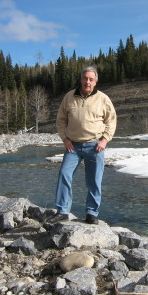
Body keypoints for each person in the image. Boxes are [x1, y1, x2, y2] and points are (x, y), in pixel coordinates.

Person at [49, 66, 117, 225]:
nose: (87, 82)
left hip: (95, 146)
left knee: (94, 180)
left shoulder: (103, 98)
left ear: (95, 81)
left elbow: (111, 121)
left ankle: (92, 213)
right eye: (85, 78)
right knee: (64, 174)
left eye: (91, 79)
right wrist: (65, 139)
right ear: (81, 79)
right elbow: (60, 120)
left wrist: (105, 139)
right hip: (73, 146)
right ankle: (62, 211)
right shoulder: (69, 97)